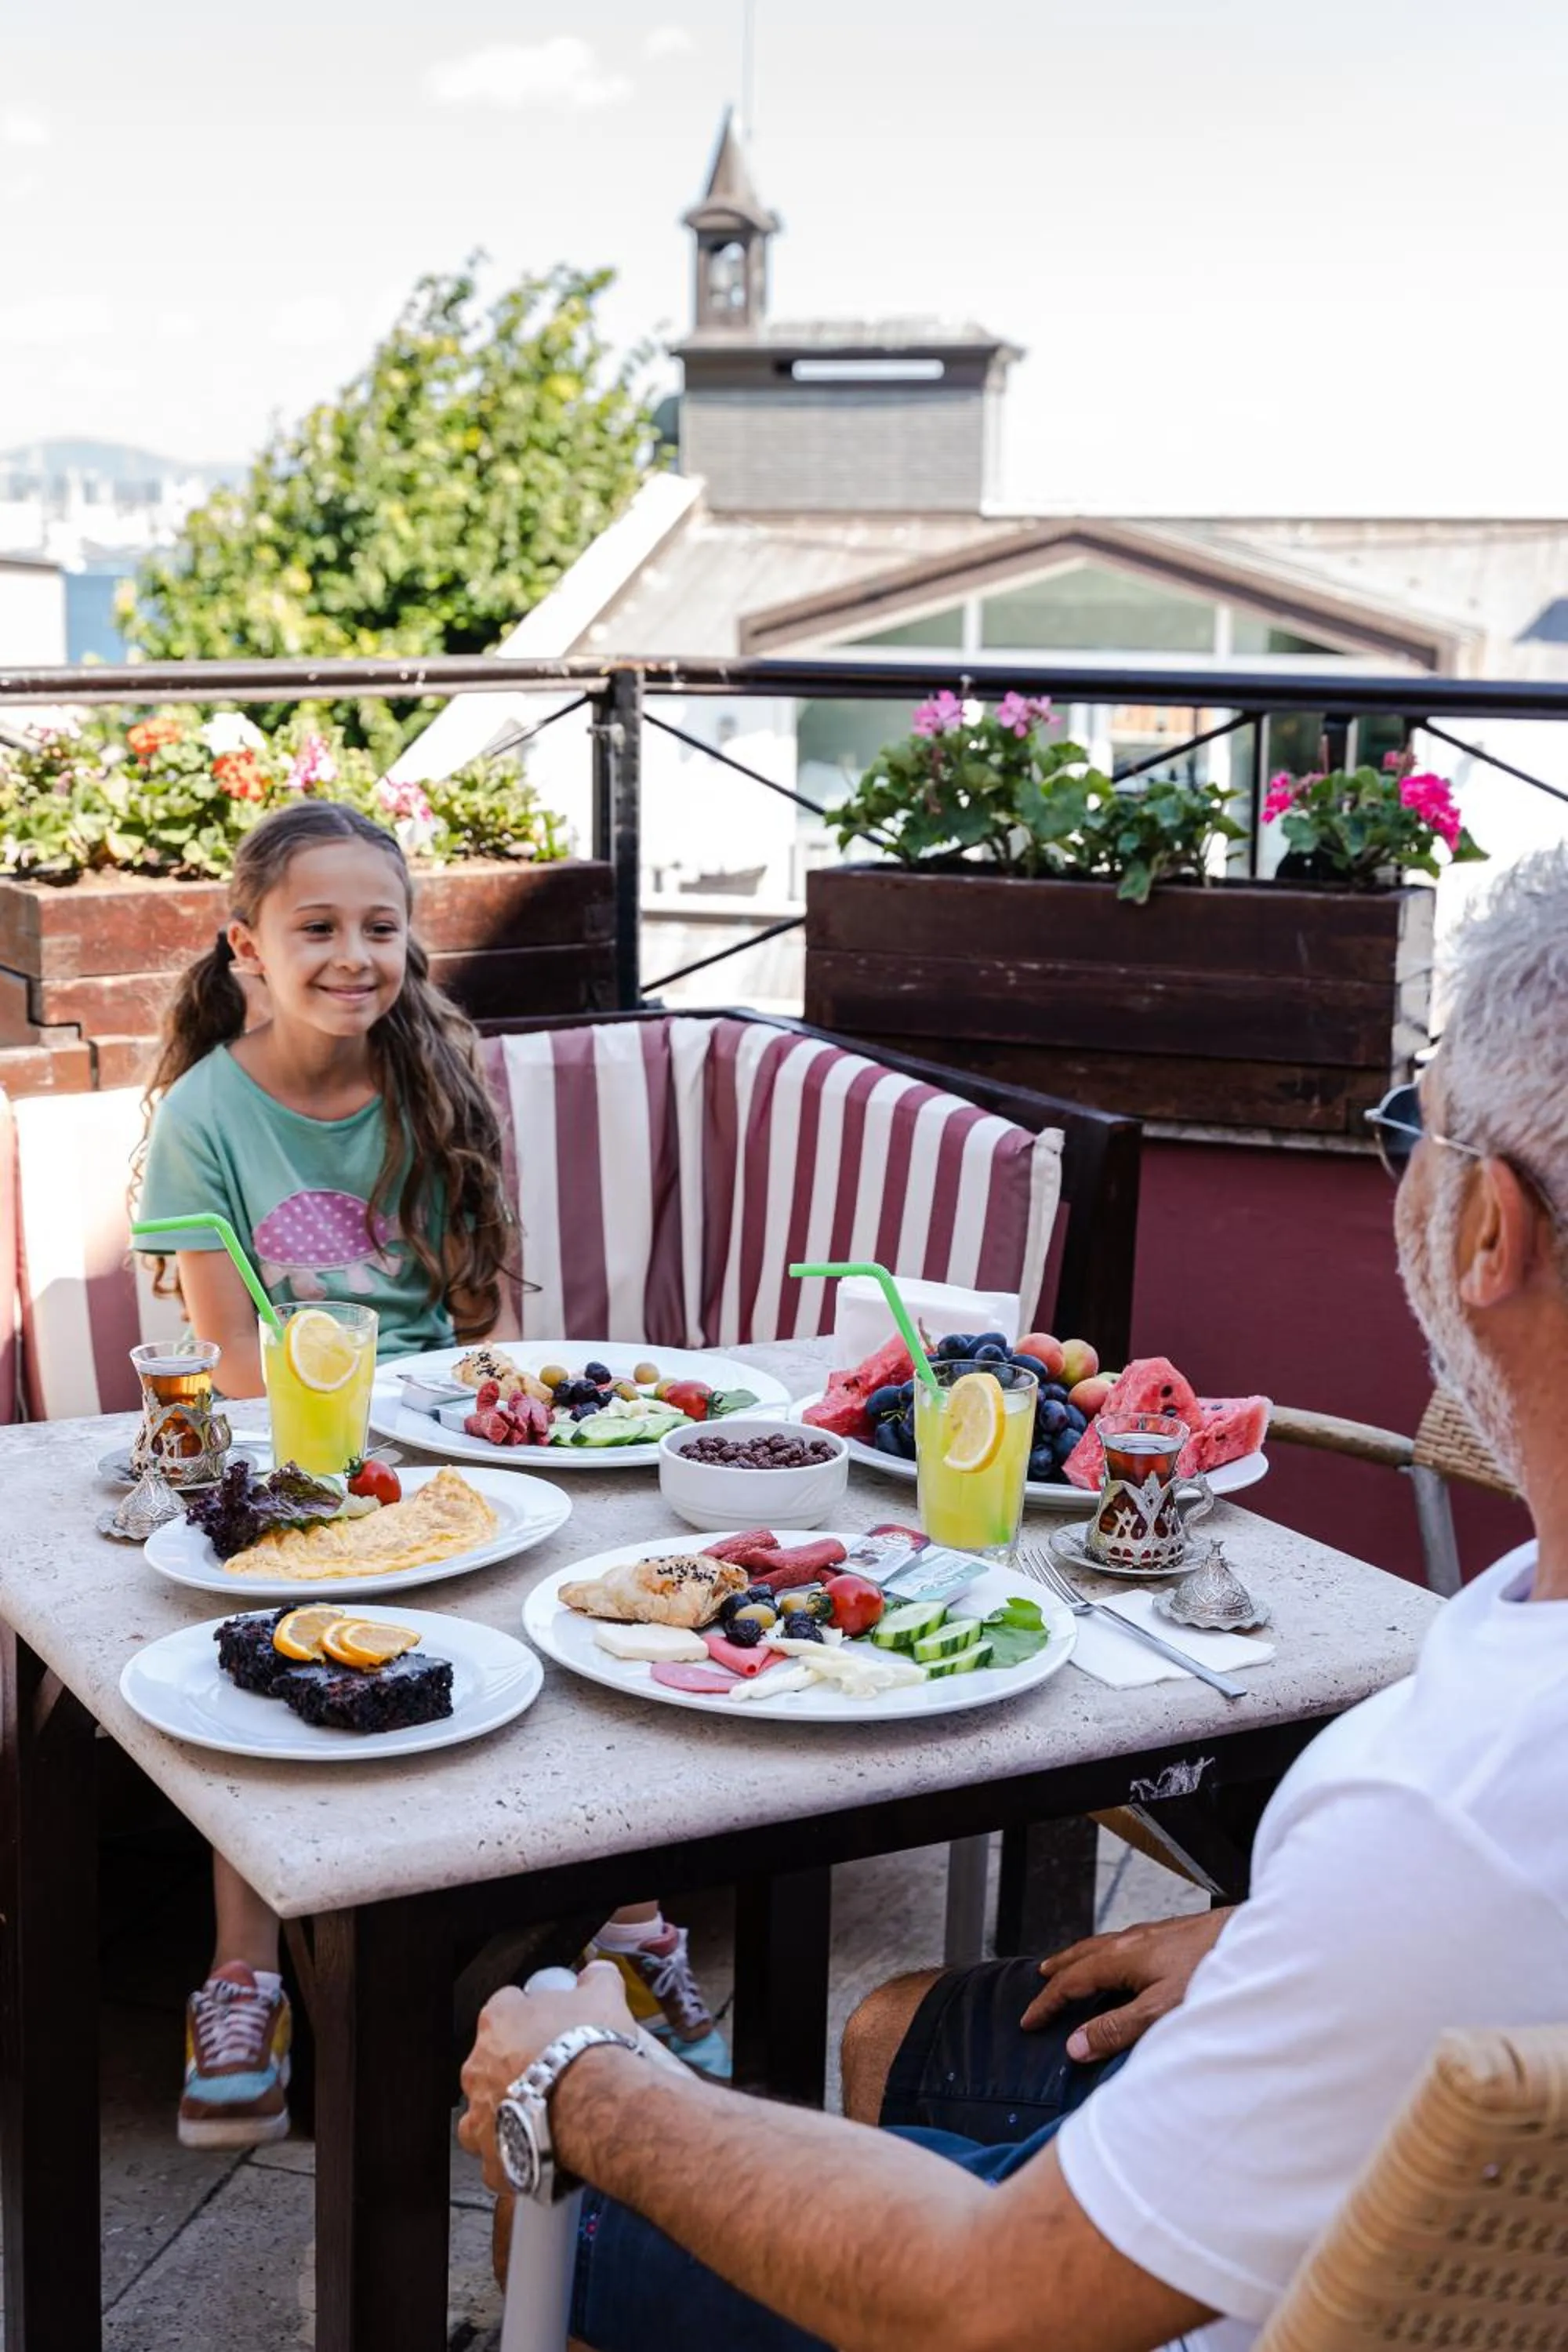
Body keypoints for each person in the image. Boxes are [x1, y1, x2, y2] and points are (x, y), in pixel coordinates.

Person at [462, 844, 1568, 2352]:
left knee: (576, 2217)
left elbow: (987, 2301)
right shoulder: (1462, 1809)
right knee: (894, 2027)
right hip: (1418, 2143)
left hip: (1102, 2302)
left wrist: (582, 2084)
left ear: (1490, 1228)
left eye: (1409, 1136)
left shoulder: (1448, 1819)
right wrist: (1291, 1942)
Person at [139, 801, 728, 2152]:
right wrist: (351, 1470)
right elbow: (230, 1352)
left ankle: (635, 1930)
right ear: (248, 945)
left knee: (587, 1604)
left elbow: (477, 1324)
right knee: (246, 1649)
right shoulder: (201, 1114)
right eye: (317, 929)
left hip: (440, 1435)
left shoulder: (436, 1075)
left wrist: (488, 1449)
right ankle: (245, 1977)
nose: (355, 956)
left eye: (381, 929)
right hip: (283, 1431)